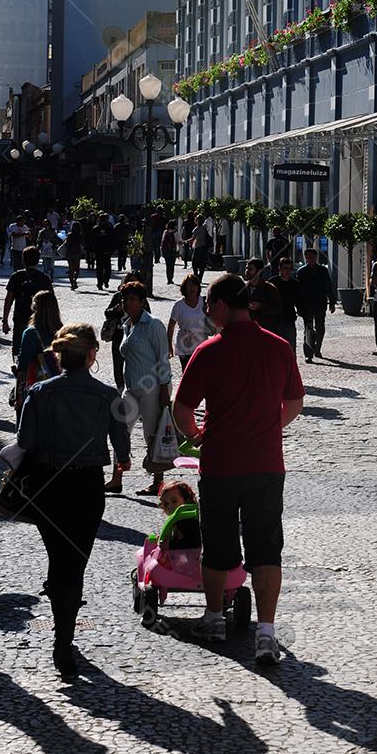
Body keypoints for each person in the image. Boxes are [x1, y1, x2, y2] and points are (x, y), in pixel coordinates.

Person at [173, 273, 305, 664]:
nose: (206, 311)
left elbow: (182, 408)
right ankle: (266, 634)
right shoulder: (279, 347)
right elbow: (295, 402)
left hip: (221, 465)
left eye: (208, 304)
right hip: (266, 464)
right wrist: (269, 425)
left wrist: (196, 434)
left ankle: (215, 619)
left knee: (217, 546)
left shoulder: (209, 351)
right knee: (266, 550)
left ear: (219, 305)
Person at [8, 323, 131, 678]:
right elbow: (122, 445)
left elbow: (25, 441)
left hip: (48, 485)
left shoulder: (39, 393)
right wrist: (121, 459)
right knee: (75, 561)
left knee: (58, 558)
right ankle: (64, 639)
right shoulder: (107, 394)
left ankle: (62, 634)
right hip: (87, 486)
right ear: (92, 354)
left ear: (60, 355)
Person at [105, 280, 172, 496]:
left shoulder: (153, 325)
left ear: (143, 302)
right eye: (125, 299)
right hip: (131, 388)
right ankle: (116, 479)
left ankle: (157, 480)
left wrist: (164, 390)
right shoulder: (127, 325)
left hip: (152, 389)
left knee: (151, 434)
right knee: (120, 431)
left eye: (132, 299)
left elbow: (163, 359)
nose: (127, 303)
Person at [15, 290, 63, 420]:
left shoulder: (31, 333)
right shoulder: (62, 330)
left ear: (35, 308)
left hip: (35, 383)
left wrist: (16, 366)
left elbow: (23, 362)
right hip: (58, 383)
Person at [2, 246, 53, 359]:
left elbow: (8, 300)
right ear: (38, 260)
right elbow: (51, 303)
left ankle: (18, 368)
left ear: (23, 260)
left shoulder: (16, 277)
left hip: (20, 318)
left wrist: (5, 320)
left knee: (18, 350)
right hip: (39, 321)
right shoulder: (44, 279)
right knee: (39, 352)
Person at [104, 270, 150, 390]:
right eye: (130, 281)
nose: (132, 284)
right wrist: (117, 309)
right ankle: (120, 390)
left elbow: (148, 316)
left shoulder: (142, 299)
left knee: (134, 365)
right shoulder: (118, 296)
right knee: (118, 366)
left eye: (135, 281)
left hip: (136, 336)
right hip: (118, 336)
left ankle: (132, 389)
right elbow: (107, 312)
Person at [296, 248, 336, 363]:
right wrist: (299, 306)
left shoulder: (322, 270)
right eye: (308, 257)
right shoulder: (301, 271)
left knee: (320, 327)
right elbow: (298, 290)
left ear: (316, 257)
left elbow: (328, 286)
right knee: (308, 328)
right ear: (305, 258)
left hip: (320, 303)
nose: (310, 259)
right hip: (307, 304)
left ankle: (317, 348)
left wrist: (332, 301)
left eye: (312, 257)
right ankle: (308, 353)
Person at [167, 274, 207, 369]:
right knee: (188, 373)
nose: (192, 288)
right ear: (184, 288)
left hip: (202, 344)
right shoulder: (178, 305)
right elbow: (171, 326)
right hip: (184, 347)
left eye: (194, 285)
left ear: (198, 286)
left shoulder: (204, 302)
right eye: (189, 285)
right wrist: (169, 345)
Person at [268, 258, 303, 353]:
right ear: (279, 268)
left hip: (289, 320)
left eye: (290, 268)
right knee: (274, 349)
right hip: (274, 320)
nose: (288, 271)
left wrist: (303, 313)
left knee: (290, 349)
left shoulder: (294, 284)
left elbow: (299, 301)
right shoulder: (272, 282)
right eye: (285, 268)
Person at [157, 480, 202, 549]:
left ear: (187, 501)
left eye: (174, 501)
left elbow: (193, 543)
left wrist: (170, 545)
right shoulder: (177, 520)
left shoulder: (187, 522)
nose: (169, 506)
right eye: (166, 503)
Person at [245, 258, 283, 332]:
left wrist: (260, 306)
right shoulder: (243, 288)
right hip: (248, 329)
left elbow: (279, 308)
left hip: (266, 329)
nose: (247, 271)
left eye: (250, 269)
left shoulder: (269, 288)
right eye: (246, 268)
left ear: (259, 271)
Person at [92, 213, 114, 291]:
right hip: (103, 250)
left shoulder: (98, 228)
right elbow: (113, 239)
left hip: (100, 251)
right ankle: (104, 280)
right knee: (106, 268)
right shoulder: (108, 228)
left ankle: (101, 282)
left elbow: (92, 240)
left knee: (100, 268)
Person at [188, 213, 213, 282]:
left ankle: (196, 277)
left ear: (198, 220)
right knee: (202, 263)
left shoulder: (197, 228)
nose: (195, 219)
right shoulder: (204, 228)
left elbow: (193, 238)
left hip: (198, 247)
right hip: (204, 247)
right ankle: (200, 278)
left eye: (196, 219)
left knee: (194, 263)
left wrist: (185, 241)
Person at [65, 220, 84, 291]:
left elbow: (67, 244)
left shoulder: (70, 234)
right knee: (77, 269)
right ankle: (74, 280)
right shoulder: (80, 235)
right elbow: (82, 243)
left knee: (71, 269)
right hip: (77, 253)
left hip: (69, 253)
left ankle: (71, 283)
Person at [161, 220, 179, 285]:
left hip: (166, 251)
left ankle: (168, 279)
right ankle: (171, 278)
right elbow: (177, 241)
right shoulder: (175, 232)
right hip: (173, 251)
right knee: (172, 265)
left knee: (168, 265)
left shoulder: (165, 232)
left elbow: (162, 242)